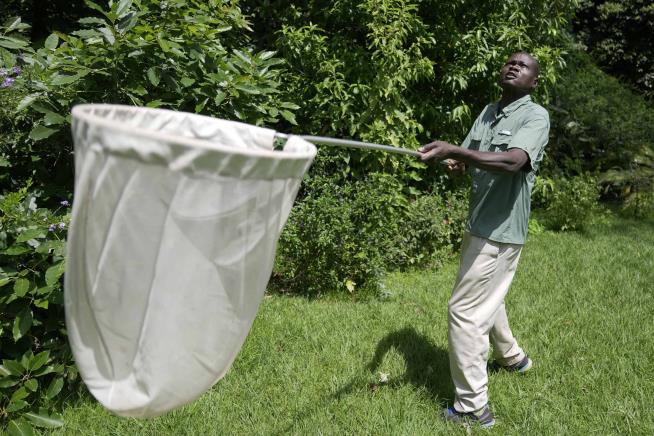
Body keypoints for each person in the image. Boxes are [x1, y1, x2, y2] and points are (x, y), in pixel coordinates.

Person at [417, 52, 550, 428]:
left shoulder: (535, 116)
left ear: (533, 82)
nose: (512, 67)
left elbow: (512, 161)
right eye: (509, 62)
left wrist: (457, 151)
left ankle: (473, 408)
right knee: (489, 296)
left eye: (522, 66)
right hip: (479, 225)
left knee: (464, 312)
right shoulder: (489, 112)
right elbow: (468, 159)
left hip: (500, 231)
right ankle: (512, 357)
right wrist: (455, 164)